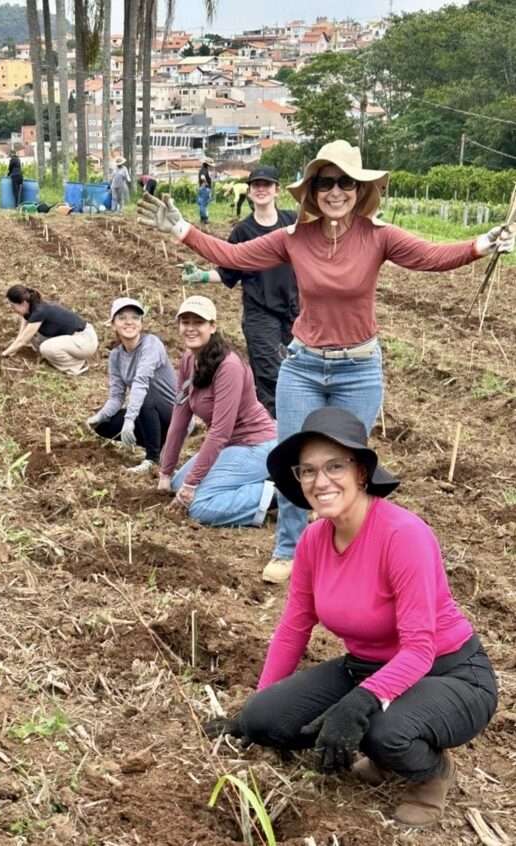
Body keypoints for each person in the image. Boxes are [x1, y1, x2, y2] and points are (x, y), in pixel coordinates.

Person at [136, 138, 515, 585]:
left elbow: (431, 257)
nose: (335, 192)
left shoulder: (379, 237)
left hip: (359, 368)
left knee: (354, 463)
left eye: (345, 183)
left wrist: (483, 243)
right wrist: (183, 230)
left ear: (359, 189)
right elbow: (235, 258)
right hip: (304, 365)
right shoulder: (295, 239)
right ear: (312, 192)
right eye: (325, 183)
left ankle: (355, 550)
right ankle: (290, 548)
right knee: (297, 458)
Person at [205, 407, 497, 828]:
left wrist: (358, 705)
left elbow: (419, 649)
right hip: (366, 668)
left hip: (447, 672)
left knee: (383, 731)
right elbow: (293, 627)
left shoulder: (404, 535)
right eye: (308, 471)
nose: (320, 481)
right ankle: (379, 743)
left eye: (334, 466)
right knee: (265, 721)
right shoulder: (312, 540)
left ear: (361, 472)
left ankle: (430, 774)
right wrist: (255, 705)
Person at [182, 166, 298, 420]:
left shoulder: (293, 223)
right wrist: (201, 275)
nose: (261, 189)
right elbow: (227, 272)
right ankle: (273, 431)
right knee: (270, 374)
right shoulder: (243, 232)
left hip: (295, 311)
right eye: (255, 185)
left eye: (266, 185)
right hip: (260, 313)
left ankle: (296, 425)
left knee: (298, 371)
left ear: (277, 190)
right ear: (249, 191)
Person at [158, 295, 277, 527]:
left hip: (254, 444)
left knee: (198, 506)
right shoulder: (188, 360)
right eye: (185, 322)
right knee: (176, 485)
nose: (190, 328)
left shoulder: (229, 366)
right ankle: (243, 483)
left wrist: (192, 484)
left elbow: (220, 432)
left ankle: (279, 495)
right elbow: (179, 419)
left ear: (212, 326)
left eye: (198, 323)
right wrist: (166, 471)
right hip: (229, 447)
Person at [86, 297, 176, 474]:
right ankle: (160, 442)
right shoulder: (116, 356)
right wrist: (99, 416)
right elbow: (117, 396)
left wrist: (129, 421)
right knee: (105, 424)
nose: (129, 322)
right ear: (113, 324)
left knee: (144, 394)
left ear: (141, 324)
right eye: (122, 317)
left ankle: (152, 458)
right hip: (148, 412)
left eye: (135, 317)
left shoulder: (151, 344)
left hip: (173, 413)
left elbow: (141, 383)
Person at [2, 285, 98, 375]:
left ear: (23, 303)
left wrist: (4, 353)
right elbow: (22, 334)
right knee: (32, 335)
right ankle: (62, 357)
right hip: (74, 340)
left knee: (46, 348)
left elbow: (22, 341)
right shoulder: (30, 309)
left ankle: (77, 366)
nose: (12, 309)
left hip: (85, 340)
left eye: (13, 306)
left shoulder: (39, 312)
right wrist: (13, 349)